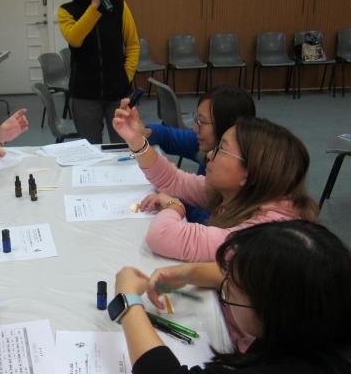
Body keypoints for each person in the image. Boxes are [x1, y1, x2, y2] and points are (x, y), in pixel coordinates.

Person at [112, 220, 351, 373]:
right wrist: (189, 273)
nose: (224, 284)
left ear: (271, 311)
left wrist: (128, 301)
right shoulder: (321, 308)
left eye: (230, 289)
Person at [113, 104, 318, 262]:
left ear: (250, 173)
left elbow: (163, 236)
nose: (210, 154)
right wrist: (137, 141)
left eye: (222, 150)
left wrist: (175, 206)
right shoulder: (241, 192)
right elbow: (172, 180)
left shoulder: (265, 233)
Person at [134, 85, 256, 224]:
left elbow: (204, 222)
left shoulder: (236, 200)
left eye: (202, 122)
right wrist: (145, 133)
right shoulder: (209, 145)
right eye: (196, 120)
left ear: (227, 127)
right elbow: (170, 138)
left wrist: (176, 204)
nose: (195, 128)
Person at [58, 0, 140, 144]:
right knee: (91, 149)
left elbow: (133, 45)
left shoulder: (118, 5)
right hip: (84, 95)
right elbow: (75, 39)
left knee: (123, 146)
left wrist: (126, 77)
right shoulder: (66, 11)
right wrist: (94, 6)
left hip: (118, 93)